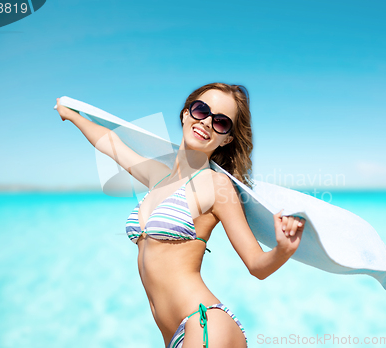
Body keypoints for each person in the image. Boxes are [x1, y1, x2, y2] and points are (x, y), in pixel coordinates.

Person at [55, 82, 304, 348]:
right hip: (173, 335)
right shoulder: (157, 176)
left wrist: (283, 249)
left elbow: (256, 265)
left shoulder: (217, 186)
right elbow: (111, 143)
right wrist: (71, 115)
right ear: (186, 113)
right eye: (201, 110)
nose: (207, 122)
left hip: (205, 324)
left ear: (227, 138)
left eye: (220, 122)